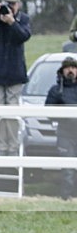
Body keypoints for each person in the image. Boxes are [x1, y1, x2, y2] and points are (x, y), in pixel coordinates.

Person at [0, 0, 32, 155]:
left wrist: (12, 22)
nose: (8, 9)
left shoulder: (23, 19)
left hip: (14, 74)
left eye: (12, 5)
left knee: (12, 113)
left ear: (17, 5)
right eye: (6, 5)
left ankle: (12, 147)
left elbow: (23, 36)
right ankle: (1, 146)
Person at [45, 57, 77, 200]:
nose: (70, 70)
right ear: (62, 71)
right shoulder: (56, 90)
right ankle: (66, 197)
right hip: (65, 132)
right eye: (67, 68)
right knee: (67, 167)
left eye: (73, 67)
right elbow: (48, 112)